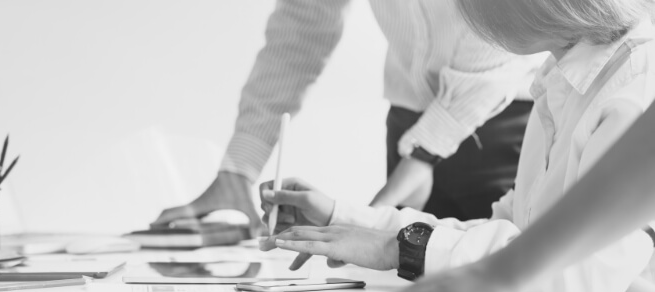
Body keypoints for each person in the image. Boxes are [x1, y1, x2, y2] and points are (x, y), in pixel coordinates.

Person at [259, 0, 655, 292]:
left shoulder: (635, 87)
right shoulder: (560, 79)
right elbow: (517, 234)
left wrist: (399, 250)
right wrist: (346, 218)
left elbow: (574, 279)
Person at [152, 1, 541, 234]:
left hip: (503, 120)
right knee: (404, 287)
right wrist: (238, 170)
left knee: (508, 286)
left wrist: (425, 155)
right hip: (411, 124)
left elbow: (499, 42)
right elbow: (301, 32)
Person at [327, 94, 655, 292]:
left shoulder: (629, 91)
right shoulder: (555, 86)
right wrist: (347, 218)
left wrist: (405, 248)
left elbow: (581, 280)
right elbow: (506, 226)